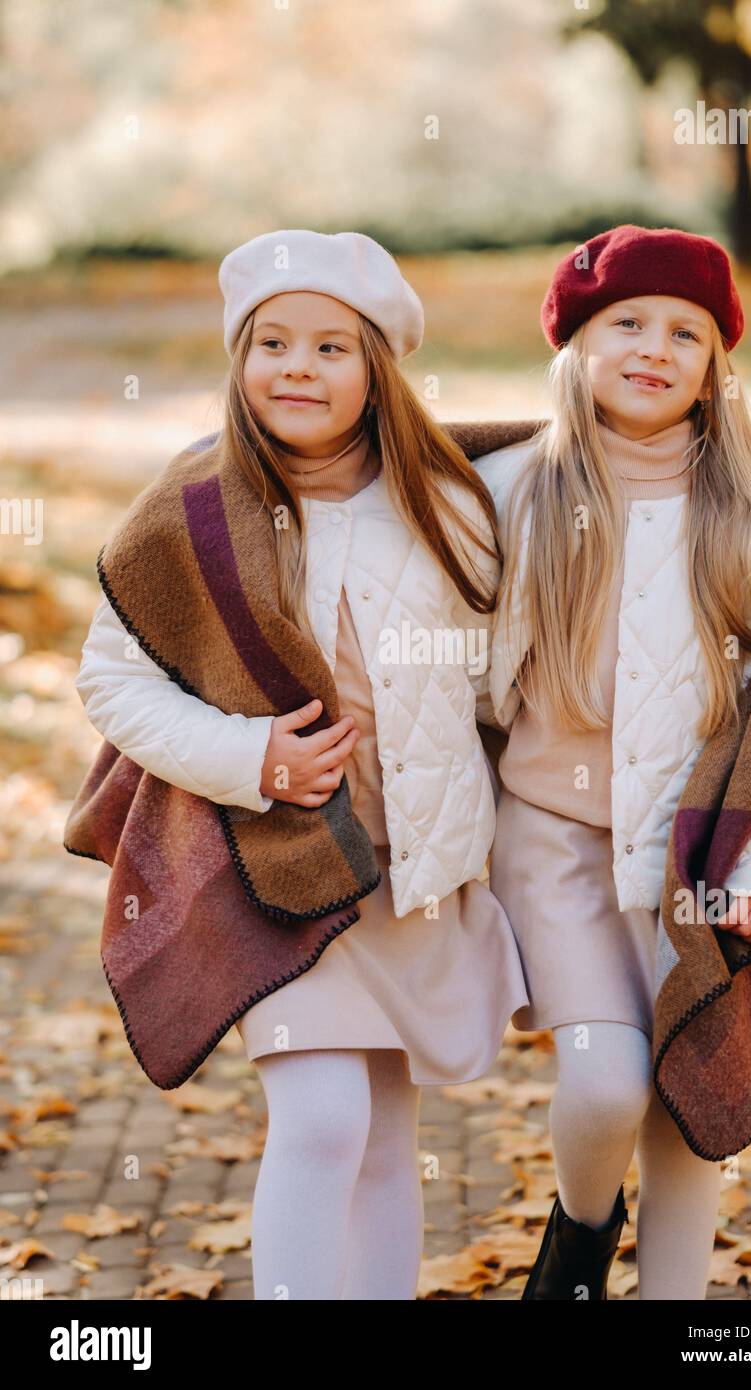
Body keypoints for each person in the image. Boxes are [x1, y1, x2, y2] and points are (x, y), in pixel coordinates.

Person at [72, 229, 530, 1300]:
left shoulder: (451, 502)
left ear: (377, 366)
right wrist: (252, 757)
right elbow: (113, 683)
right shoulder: (192, 510)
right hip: (279, 866)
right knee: (321, 1119)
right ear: (238, 361)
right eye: (271, 342)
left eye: (330, 347)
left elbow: (499, 681)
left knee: (382, 1133)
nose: (296, 368)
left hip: (409, 872)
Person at [473, 223, 751, 1300]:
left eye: (685, 331)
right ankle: (579, 1240)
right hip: (550, 843)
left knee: (690, 1110)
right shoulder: (500, 495)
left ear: (714, 367)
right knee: (601, 1083)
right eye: (623, 322)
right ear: (574, 346)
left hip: (695, 856)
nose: (653, 346)